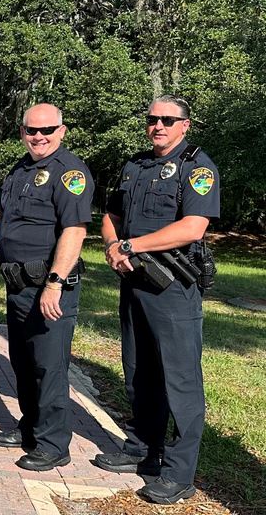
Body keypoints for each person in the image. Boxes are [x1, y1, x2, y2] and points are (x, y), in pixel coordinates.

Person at [96, 95, 219, 505]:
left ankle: (179, 473)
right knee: (139, 371)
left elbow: (193, 228)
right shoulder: (135, 166)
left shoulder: (197, 167)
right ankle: (142, 450)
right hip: (134, 281)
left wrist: (130, 245)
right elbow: (111, 215)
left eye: (168, 120)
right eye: (152, 119)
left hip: (173, 289)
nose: (159, 126)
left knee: (180, 381)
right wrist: (115, 246)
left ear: (185, 125)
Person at [0, 103, 93, 470]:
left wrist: (55, 283)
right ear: (22, 133)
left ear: (61, 131)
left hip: (48, 286)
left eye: (47, 130)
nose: (39, 137)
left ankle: (53, 444)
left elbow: (75, 230)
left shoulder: (70, 173)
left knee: (49, 366)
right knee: (23, 361)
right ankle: (29, 427)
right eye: (31, 130)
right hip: (18, 286)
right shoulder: (20, 169)